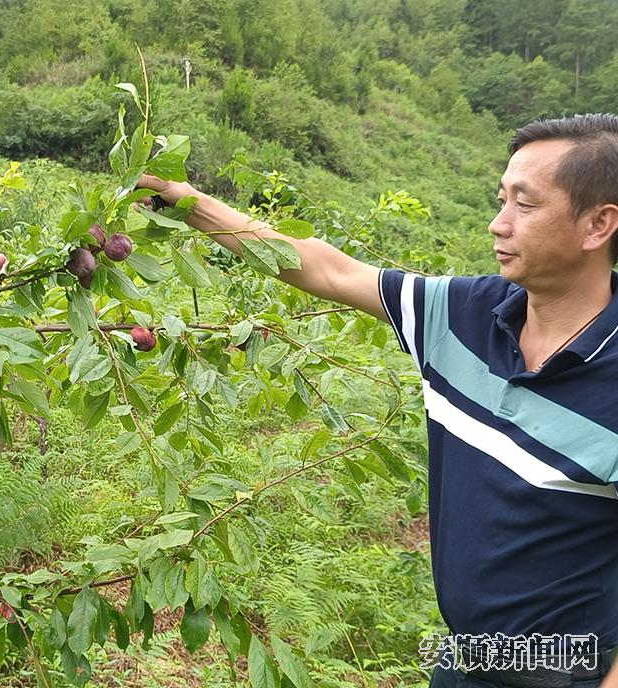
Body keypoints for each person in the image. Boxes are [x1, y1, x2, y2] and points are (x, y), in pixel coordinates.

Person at [138, 113, 618, 688]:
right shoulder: (460, 315)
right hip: (464, 661)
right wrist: (188, 202)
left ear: (598, 225)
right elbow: (326, 269)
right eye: (500, 200)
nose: (498, 224)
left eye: (525, 205)